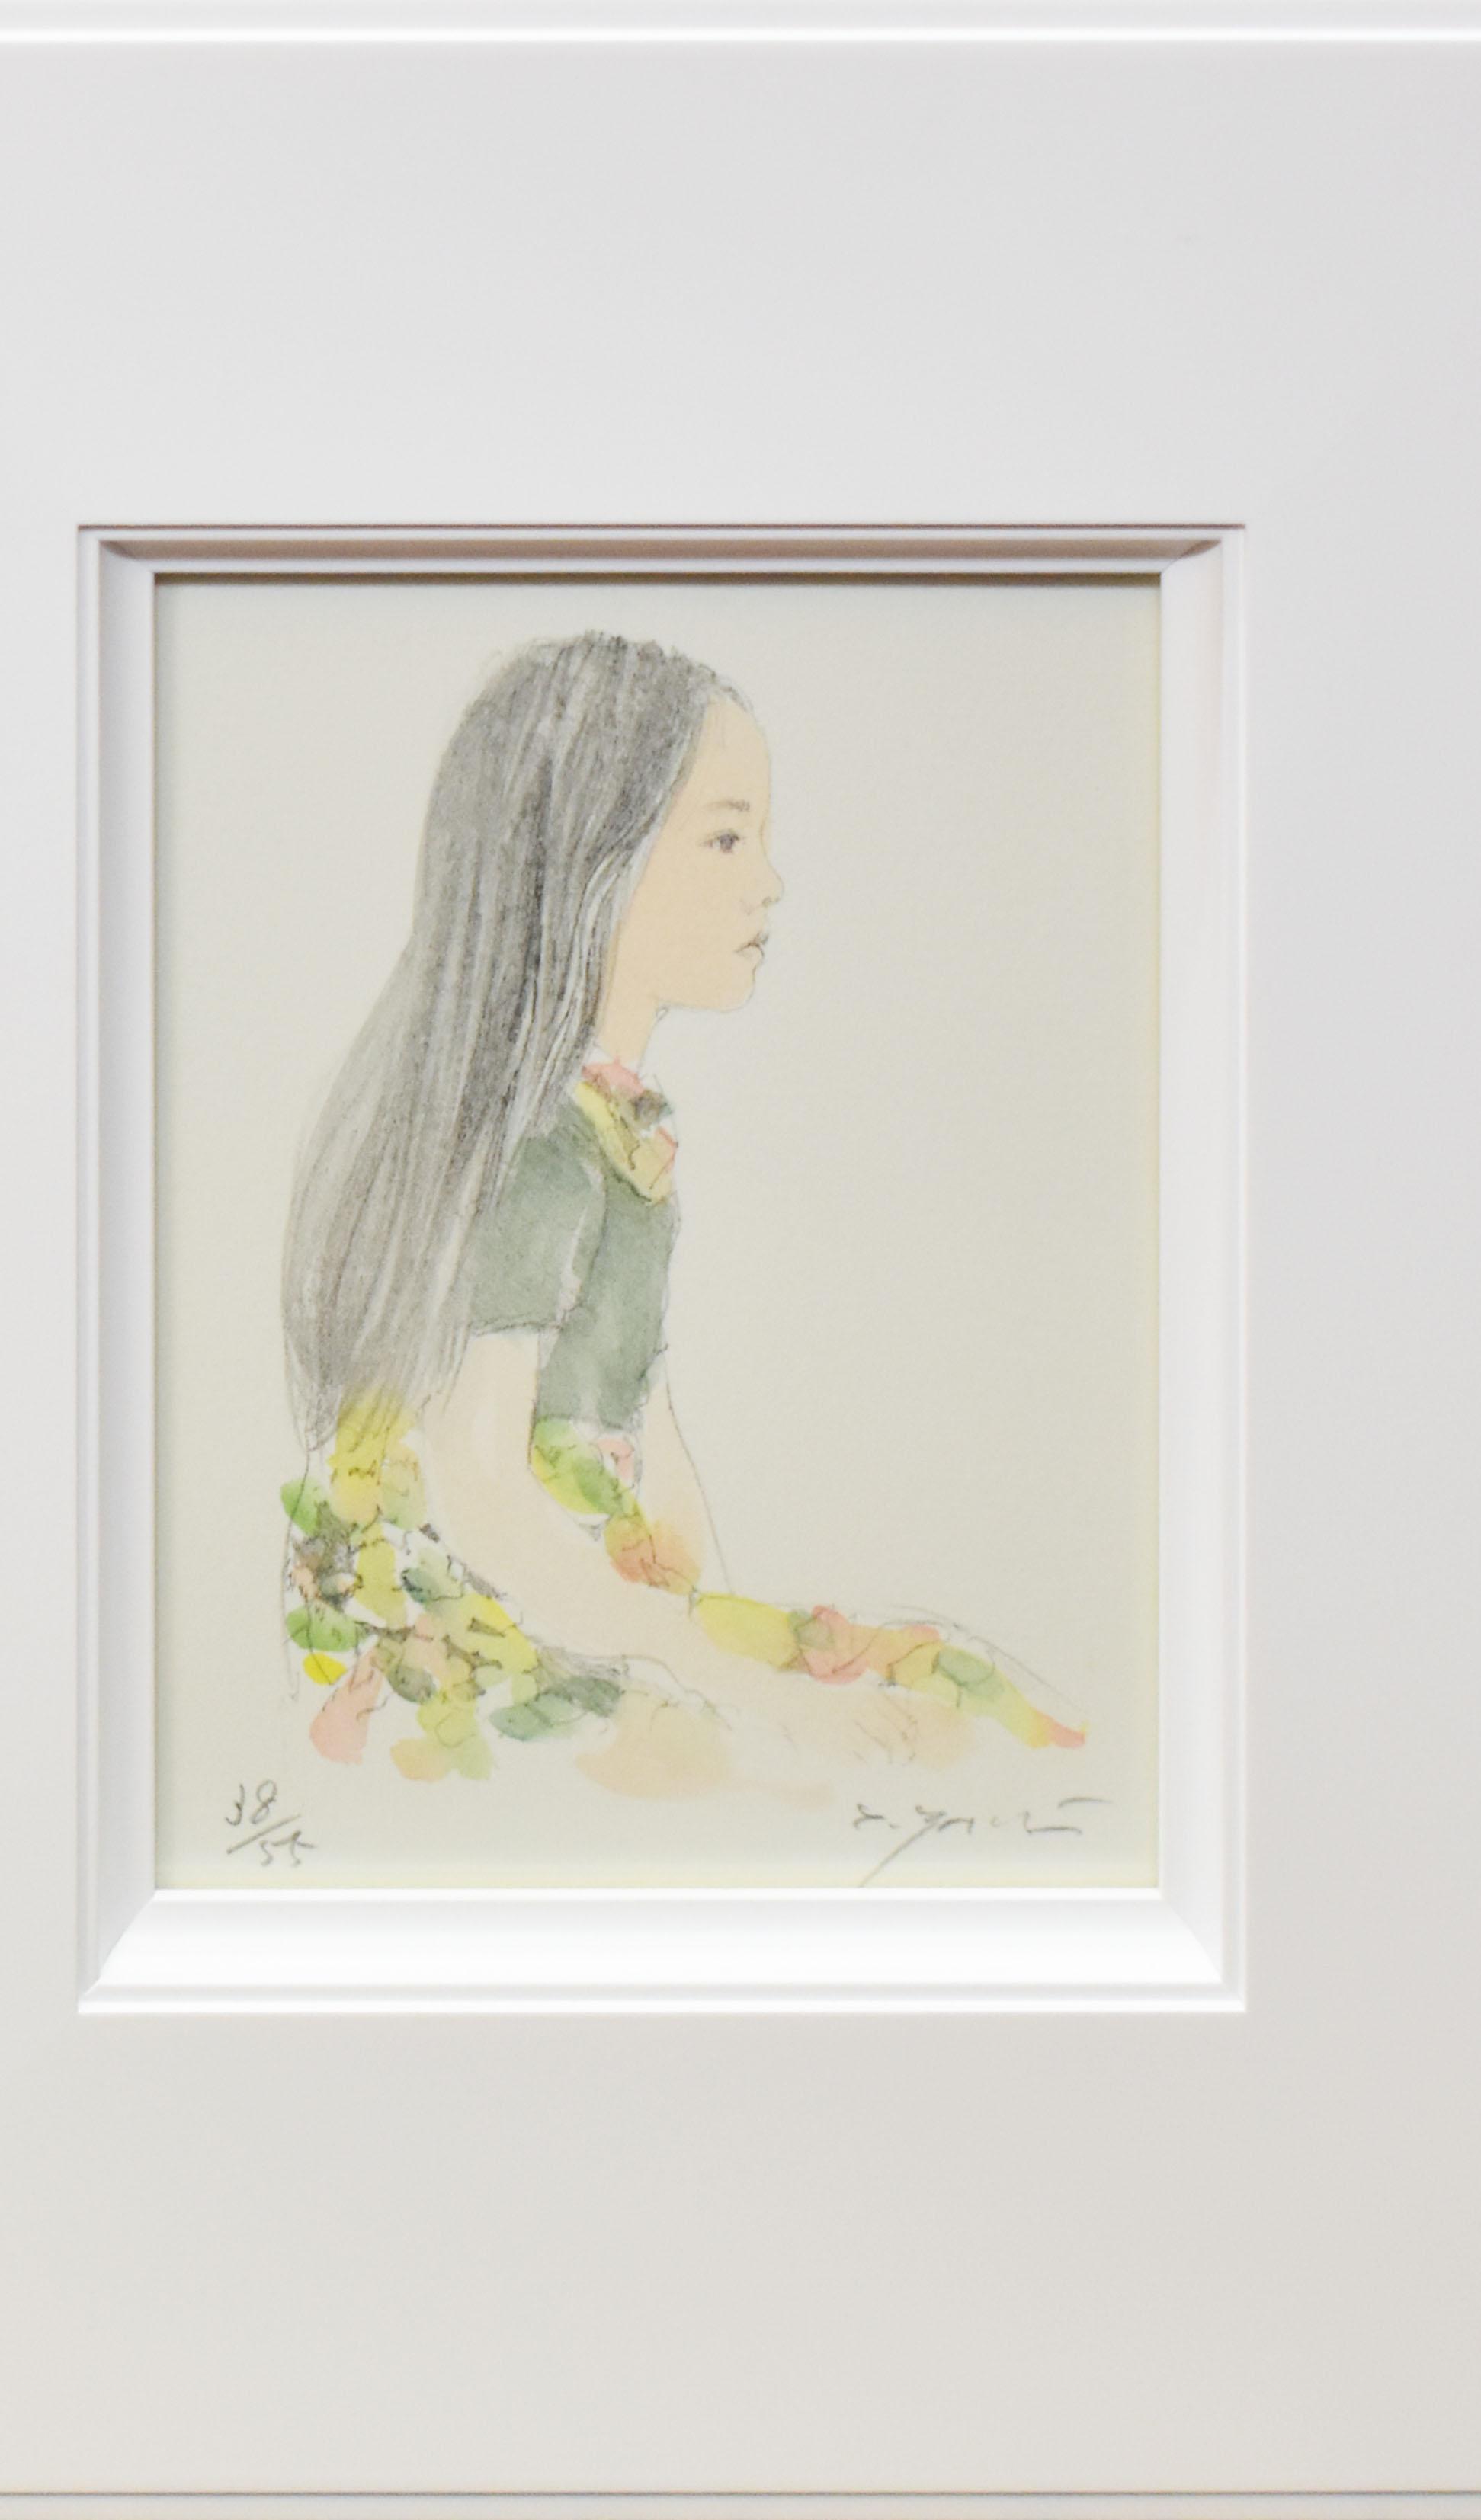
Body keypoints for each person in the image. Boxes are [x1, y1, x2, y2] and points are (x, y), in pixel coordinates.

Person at [277, 631, 1087, 1798]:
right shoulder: (537, 1158)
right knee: (913, 1745)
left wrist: (730, 1651)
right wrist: (746, 1688)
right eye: (725, 838)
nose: (770, 881)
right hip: (476, 1646)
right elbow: (484, 1499)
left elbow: (652, 1450)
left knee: (947, 1697)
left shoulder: (618, 1140)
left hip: (600, 1619)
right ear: (587, 864)